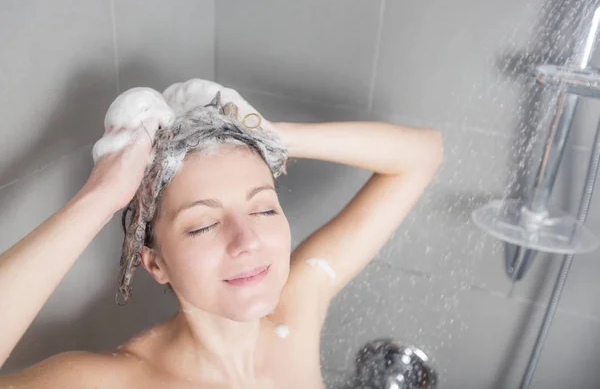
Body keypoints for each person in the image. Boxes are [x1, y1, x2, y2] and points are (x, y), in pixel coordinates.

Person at [0, 79, 443, 388]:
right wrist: (100, 197)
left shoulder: (296, 311)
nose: (247, 241)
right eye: (204, 224)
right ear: (156, 263)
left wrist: (272, 136)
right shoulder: (119, 380)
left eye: (264, 208)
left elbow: (423, 154)